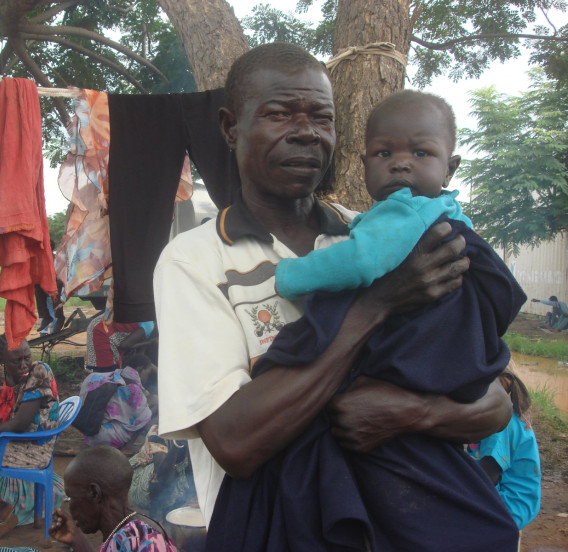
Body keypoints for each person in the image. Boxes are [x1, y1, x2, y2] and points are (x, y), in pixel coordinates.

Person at [153, 42, 514, 549]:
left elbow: (495, 402)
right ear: (231, 127)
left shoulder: (375, 233)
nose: (305, 132)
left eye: (321, 118)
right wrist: (378, 304)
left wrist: (409, 413)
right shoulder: (195, 262)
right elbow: (235, 441)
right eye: (279, 114)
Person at [49, 446, 179, 552]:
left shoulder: (137, 540)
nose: (69, 507)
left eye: (71, 497)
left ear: (95, 493)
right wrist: (77, 539)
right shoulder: (131, 531)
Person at [0, 335, 62, 530]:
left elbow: (19, 425)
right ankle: (0, 507)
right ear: (2, 361)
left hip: (34, 446)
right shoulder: (0, 375)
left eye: (27, 358)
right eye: (17, 361)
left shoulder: (39, 372)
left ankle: (0, 509)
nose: (24, 365)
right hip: (14, 441)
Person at [468, 362, 541, 530]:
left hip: (510, 504)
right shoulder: (505, 414)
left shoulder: (500, 422)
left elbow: (488, 475)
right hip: (518, 501)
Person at [76, 363, 152, 450]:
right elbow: (142, 418)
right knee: (147, 416)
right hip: (106, 439)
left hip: (88, 436)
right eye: (148, 373)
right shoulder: (133, 389)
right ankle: (127, 447)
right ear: (140, 369)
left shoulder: (95, 378)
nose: (147, 377)